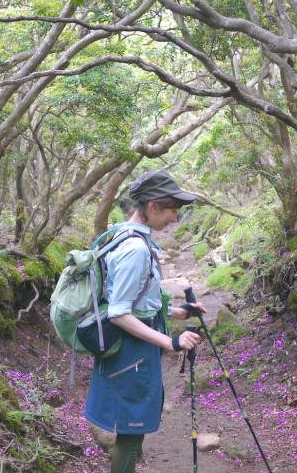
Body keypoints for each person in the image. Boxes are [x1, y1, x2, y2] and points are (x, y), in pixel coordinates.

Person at [85, 169, 207, 473]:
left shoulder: (128, 237)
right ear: (153, 206)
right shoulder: (135, 248)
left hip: (134, 352)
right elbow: (119, 312)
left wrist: (178, 312)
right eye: (172, 211)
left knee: (133, 432)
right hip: (130, 354)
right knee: (130, 433)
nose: (175, 219)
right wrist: (170, 342)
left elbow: (137, 300)